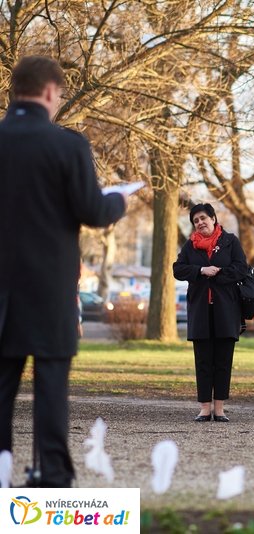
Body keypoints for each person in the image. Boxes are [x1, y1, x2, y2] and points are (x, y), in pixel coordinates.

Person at [0, 56, 127, 487]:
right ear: (51, 92)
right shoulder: (68, 145)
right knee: (51, 385)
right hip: (49, 287)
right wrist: (119, 201)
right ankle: (51, 474)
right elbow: (92, 210)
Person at [173, 203, 248, 423]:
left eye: (203, 218)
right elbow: (178, 269)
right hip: (200, 312)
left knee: (223, 361)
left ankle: (220, 408)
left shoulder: (230, 241)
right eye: (196, 221)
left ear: (213, 218)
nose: (200, 223)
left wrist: (219, 274)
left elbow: (241, 268)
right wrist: (200, 271)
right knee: (203, 361)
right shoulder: (190, 246)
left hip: (226, 311)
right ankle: (205, 408)